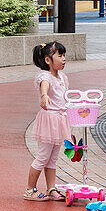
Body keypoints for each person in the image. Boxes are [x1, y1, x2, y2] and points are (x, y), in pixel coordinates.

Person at [24, 40, 69, 201]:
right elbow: (45, 86)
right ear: (48, 60)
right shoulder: (45, 76)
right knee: (43, 156)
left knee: (53, 158)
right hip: (49, 120)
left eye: (64, 55)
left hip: (59, 120)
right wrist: (44, 96)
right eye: (60, 55)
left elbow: (64, 98)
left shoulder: (62, 76)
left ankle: (51, 188)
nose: (63, 59)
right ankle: (30, 190)